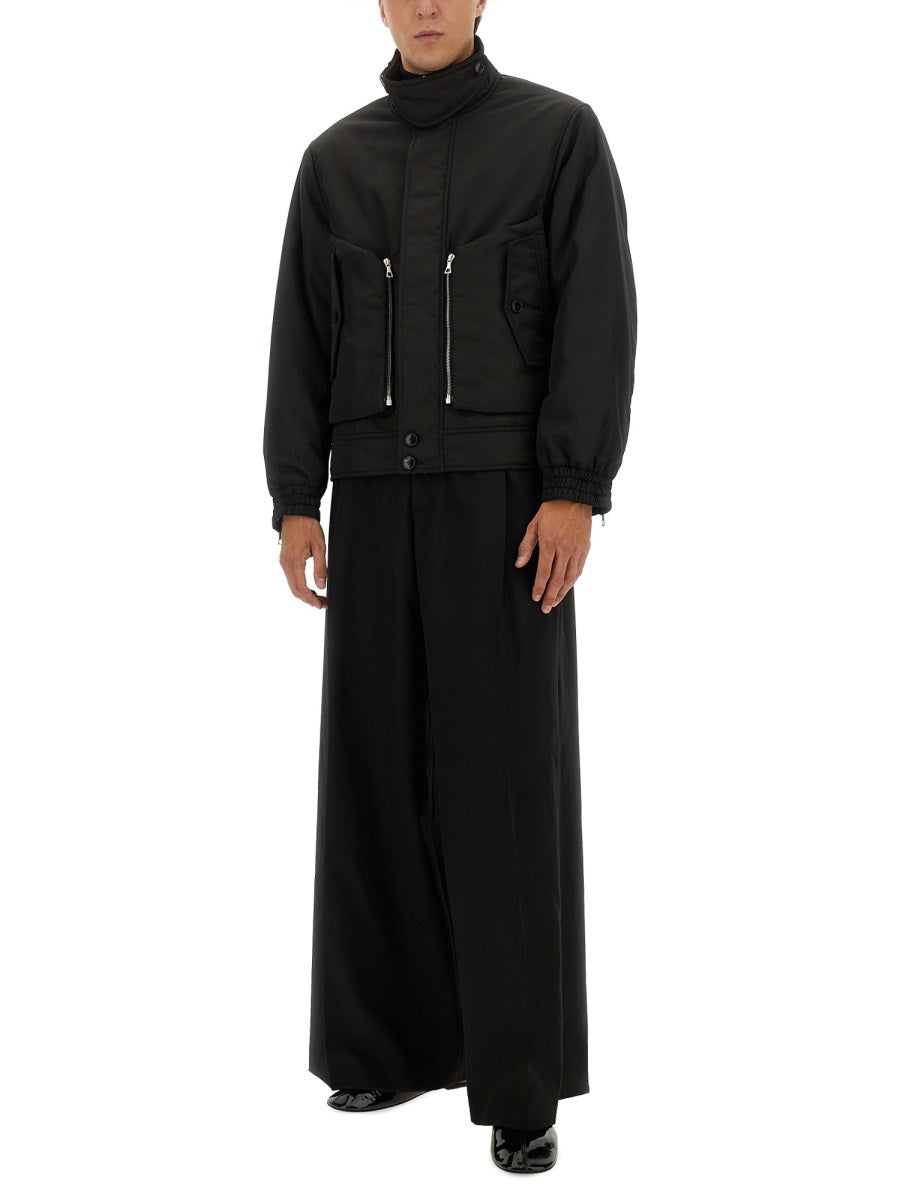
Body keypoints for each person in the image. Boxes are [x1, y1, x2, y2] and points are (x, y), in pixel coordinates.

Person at [262, 0, 637, 1174]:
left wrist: (574, 485)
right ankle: (384, 1046)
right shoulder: (334, 161)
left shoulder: (558, 136)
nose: (426, 4)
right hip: (374, 497)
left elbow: (596, 316)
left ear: (481, 1)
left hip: (505, 504)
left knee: (504, 785)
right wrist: (295, 496)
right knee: (373, 773)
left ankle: (521, 1088)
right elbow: (301, 335)